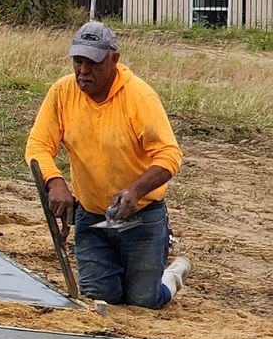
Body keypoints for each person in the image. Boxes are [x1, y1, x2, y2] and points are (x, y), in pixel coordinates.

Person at [26, 20, 189, 308]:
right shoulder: (62, 93)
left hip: (141, 217)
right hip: (91, 216)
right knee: (101, 296)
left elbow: (169, 154)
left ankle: (171, 275)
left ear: (114, 59)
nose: (83, 72)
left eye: (94, 63)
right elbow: (38, 144)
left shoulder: (139, 97)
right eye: (78, 62)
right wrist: (55, 181)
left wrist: (135, 191)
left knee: (143, 300)